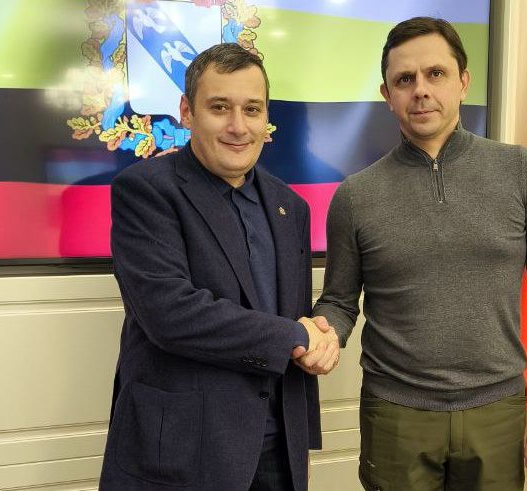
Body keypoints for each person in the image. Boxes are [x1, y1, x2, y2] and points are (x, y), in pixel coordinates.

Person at [313, 17, 527, 490]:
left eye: (435, 73)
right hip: (396, 416)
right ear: (387, 95)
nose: (420, 90)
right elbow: (338, 301)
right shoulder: (355, 196)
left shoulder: (521, 172)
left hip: (498, 414)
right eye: (404, 79)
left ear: (463, 82)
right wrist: (321, 332)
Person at [99, 43, 339, 491]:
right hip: (183, 453)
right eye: (219, 107)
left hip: (277, 452)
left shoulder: (290, 207)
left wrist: (317, 344)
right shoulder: (145, 192)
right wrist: (295, 336)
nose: (238, 126)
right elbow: (171, 314)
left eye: (252, 109)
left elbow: (295, 317)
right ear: (186, 112)